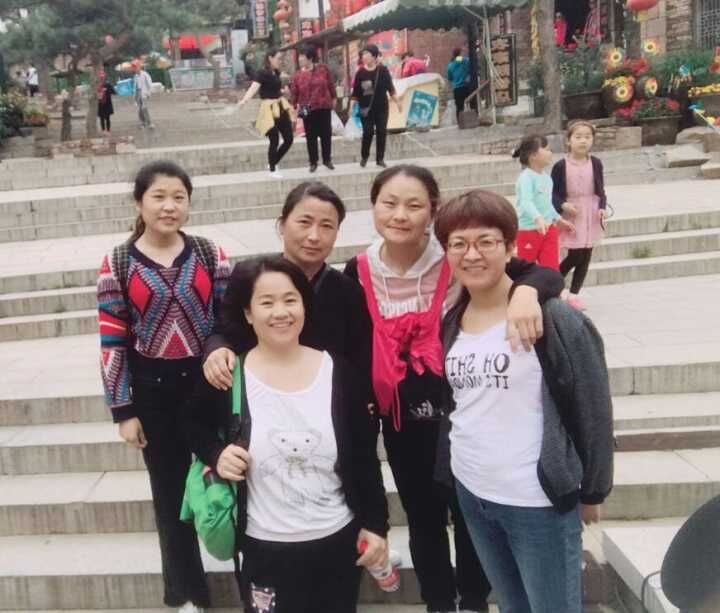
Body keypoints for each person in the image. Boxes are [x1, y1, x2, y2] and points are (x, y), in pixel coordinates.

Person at [344, 164, 566, 613]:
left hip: (458, 412)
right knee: (422, 517)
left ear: (433, 212)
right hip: (400, 420)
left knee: (468, 516)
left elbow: (542, 275)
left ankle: (474, 600)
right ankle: (439, 603)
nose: (400, 215)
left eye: (414, 205)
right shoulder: (359, 270)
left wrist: (527, 294)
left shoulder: (456, 256)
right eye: (389, 203)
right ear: (373, 207)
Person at [434, 188, 614, 613]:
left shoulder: (554, 318)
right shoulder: (453, 319)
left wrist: (593, 490)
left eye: (486, 241)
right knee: (512, 606)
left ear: (510, 246)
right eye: (458, 244)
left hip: (537, 502)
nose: (471, 254)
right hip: (474, 493)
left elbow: (593, 408)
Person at [184, 255, 389, 613]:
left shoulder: (338, 372)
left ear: (304, 306)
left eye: (290, 300)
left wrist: (376, 525)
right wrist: (217, 453)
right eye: (267, 302)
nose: (280, 312)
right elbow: (190, 424)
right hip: (265, 547)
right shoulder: (230, 375)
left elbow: (362, 456)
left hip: (336, 540)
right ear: (248, 313)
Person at [97, 161, 231, 613]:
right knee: (171, 498)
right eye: (158, 196)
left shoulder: (211, 254)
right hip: (153, 392)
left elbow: (229, 319)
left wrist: (219, 349)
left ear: (189, 203)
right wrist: (123, 410)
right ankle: (187, 593)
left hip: (210, 385)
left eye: (178, 197)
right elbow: (112, 341)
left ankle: (255, 575)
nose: (169, 206)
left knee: (230, 478)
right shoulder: (117, 263)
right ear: (140, 202)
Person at [202, 181, 371, 394]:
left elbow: (359, 360)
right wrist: (217, 349)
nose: (314, 236)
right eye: (304, 222)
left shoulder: (348, 291)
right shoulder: (250, 276)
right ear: (282, 225)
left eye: (327, 226)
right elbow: (224, 331)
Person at [552, 121, 608, 311]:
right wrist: (563, 205)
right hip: (572, 214)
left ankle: (574, 294)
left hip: (591, 212)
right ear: (569, 141)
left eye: (587, 137)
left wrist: (602, 207)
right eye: (578, 137)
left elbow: (601, 189)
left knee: (586, 255)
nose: (583, 141)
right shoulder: (561, 166)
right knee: (575, 255)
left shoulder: (596, 163)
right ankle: (552, 285)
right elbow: (553, 193)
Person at [513, 135, 574, 270]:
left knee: (551, 269)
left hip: (549, 229)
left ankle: (552, 285)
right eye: (546, 149)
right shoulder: (526, 178)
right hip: (528, 231)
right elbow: (526, 202)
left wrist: (558, 219)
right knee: (525, 270)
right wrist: (538, 218)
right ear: (533, 155)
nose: (550, 152)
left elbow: (547, 203)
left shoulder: (547, 178)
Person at [238, 48, 294, 179]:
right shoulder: (262, 73)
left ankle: (272, 162)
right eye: (278, 58)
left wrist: (283, 92)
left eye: (281, 59)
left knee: (289, 139)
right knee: (274, 138)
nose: (280, 61)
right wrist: (244, 100)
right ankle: (273, 169)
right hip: (268, 109)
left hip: (280, 106)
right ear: (270, 58)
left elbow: (274, 89)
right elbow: (254, 88)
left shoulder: (276, 72)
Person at [351, 44, 402, 169]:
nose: (363, 56)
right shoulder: (360, 73)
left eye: (366, 54)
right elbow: (356, 92)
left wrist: (398, 102)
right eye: (363, 54)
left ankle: (380, 159)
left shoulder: (383, 71)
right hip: (365, 109)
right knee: (367, 132)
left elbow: (390, 88)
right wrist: (351, 107)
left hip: (381, 108)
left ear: (374, 56)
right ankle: (364, 156)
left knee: (381, 132)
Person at [290, 45, 337, 173]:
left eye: (302, 56)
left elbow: (330, 85)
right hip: (306, 108)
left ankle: (327, 160)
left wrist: (334, 98)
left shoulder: (323, 69)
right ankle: (313, 162)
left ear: (310, 58)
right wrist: (293, 107)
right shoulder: (297, 75)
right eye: (299, 56)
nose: (300, 59)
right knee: (311, 136)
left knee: (326, 134)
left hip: (323, 106)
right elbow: (294, 93)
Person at [447, 49, 473, 122]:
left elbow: (450, 78)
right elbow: (469, 64)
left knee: (459, 107)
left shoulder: (450, 65)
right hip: (466, 86)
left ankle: (460, 122)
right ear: (460, 54)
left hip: (457, 89)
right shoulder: (464, 61)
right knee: (472, 104)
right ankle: (473, 118)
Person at [132, 60, 154, 129]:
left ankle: (149, 123)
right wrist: (135, 98)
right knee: (139, 109)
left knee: (144, 108)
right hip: (138, 93)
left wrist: (149, 93)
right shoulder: (135, 76)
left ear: (139, 67)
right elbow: (135, 87)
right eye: (134, 67)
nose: (135, 69)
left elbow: (150, 84)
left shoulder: (145, 74)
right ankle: (142, 123)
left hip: (144, 93)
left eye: (136, 67)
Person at [97, 70, 116, 134]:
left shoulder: (108, 85)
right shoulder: (97, 85)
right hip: (100, 103)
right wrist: (99, 92)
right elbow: (95, 94)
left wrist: (107, 90)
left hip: (107, 103)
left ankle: (108, 130)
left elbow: (114, 92)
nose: (102, 78)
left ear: (104, 77)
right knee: (101, 118)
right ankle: (103, 130)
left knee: (107, 118)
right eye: (100, 77)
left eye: (102, 77)